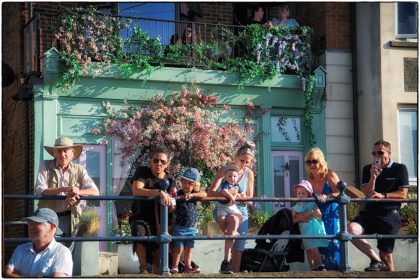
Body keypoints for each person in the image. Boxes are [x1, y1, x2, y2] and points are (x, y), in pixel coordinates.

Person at [347, 140, 409, 272]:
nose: (376, 156)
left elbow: (403, 194)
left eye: (380, 152)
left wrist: (383, 195)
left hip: (389, 213)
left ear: (389, 153)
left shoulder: (400, 168)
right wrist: (373, 177)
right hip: (369, 213)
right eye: (374, 153)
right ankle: (375, 260)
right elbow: (367, 193)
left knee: (386, 255)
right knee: (350, 230)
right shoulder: (367, 169)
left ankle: (389, 272)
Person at [35, 136, 99, 250]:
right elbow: (40, 190)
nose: (62, 154)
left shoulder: (79, 169)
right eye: (59, 150)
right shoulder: (45, 165)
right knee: (49, 249)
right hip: (49, 216)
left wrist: (77, 192)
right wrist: (64, 189)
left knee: (68, 251)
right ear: (54, 153)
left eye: (66, 150)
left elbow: (95, 191)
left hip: (71, 216)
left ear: (72, 153)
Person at [208, 141, 255, 274]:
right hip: (224, 207)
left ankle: (230, 270)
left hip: (241, 209)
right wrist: (226, 194)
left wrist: (241, 196)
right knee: (232, 231)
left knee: (239, 247)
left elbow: (250, 197)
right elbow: (210, 193)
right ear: (236, 156)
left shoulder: (249, 173)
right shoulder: (224, 170)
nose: (244, 165)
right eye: (242, 160)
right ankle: (226, 264)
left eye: (247, 162)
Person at [129, 146, 175, 274]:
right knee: (138, 233)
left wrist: (172, 205)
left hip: (162, 219)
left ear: (167, 164)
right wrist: (159, 192)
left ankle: (157, 271)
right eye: (155, 160)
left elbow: (173, 199)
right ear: (151, 162)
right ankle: (143, 269)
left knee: (159, 246)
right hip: (141, 215)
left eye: (162, 161)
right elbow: (136, 190)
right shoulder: (142, 172)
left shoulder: (170, 179)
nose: (159, 163)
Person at [4, 208, 73, 277]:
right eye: (30, 223)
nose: (31, 227)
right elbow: (6, 274)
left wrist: (17, 276)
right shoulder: (20, 249)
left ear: (52, 227)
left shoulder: (62, 252)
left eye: (37, 223)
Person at [303, 147, 341, 270]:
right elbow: (304, 201)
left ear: (321, 162)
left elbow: (341, 193)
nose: (312, 165)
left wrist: (327, 195)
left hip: (331, 217)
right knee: (320, 253)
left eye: (315, 161)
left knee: (334, 251)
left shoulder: (329, 175)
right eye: (309, 162)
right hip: (317, 221)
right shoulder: (308, 182)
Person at [170, 168, 207, 274]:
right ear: (181, 182)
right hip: (180, 227)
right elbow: (172, 206)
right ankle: (175, 266)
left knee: (189, 249)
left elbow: (204, 194)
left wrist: (192, 195)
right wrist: (174, 198)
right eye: (184, 182)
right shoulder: (179, 193)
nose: (186, 185)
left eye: (190, 183)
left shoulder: (195, 194)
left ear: (195, 185)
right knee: (178, 249)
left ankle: (188, 267)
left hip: (191, 227)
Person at [292, 180, 329, 271]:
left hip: (313, 228)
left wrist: (311, 213)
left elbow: (320, 216)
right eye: (299, 193)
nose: (300, 195)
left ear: (308, 194)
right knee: (308, 249)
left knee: (314, 247)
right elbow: (293, 220)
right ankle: (312, 266)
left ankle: (319, 265)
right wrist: (300, 217)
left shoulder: (312, 204)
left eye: (303, 193)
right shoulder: (295, 207)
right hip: (304, 229)